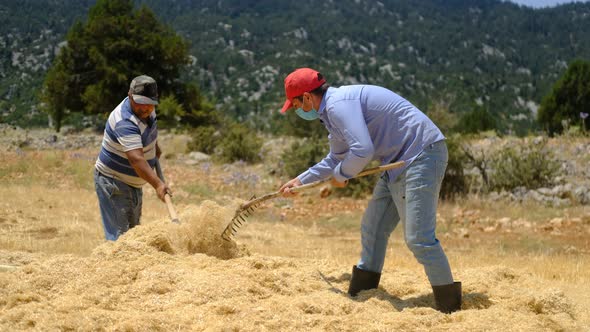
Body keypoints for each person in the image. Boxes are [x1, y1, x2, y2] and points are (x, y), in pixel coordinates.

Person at [278, 68, 461, 313]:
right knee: (373, 227)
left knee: (419, 239)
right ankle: (363, 294)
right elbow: (336, 157)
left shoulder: (338, 106)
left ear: (308, 98)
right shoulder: (331, 114)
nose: (297, 110)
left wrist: (342, 176)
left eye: (296, 104)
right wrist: (300, 181)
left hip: (420, 155)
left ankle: (450, 309)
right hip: (396, 162)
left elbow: (362, 150)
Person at [94, 75, 171, 241]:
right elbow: (136, 159)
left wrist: (154, 148)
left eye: (149, 104)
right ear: (129, 95)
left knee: (133, 236)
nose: (145, 108)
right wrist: (158, 184)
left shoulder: (148, 109)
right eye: (140, 102)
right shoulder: (124, 121)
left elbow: (150, 129)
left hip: (133, 184)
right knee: (121, 241)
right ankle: (114, 267)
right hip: (114, 182)